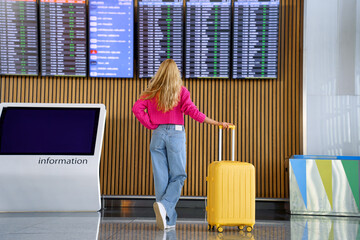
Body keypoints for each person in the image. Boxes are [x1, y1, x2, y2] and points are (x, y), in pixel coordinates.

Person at [132, 59, 233, 230]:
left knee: (161, 178)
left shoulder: (151, 91)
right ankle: (165, 206)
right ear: (175, 73)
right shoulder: (181, 91)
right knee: (179, 176)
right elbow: (194, 112)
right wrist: (216, 123)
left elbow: (137, 108)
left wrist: (151, 125)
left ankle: (168, 219)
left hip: (157, 135)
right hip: (176, 134)